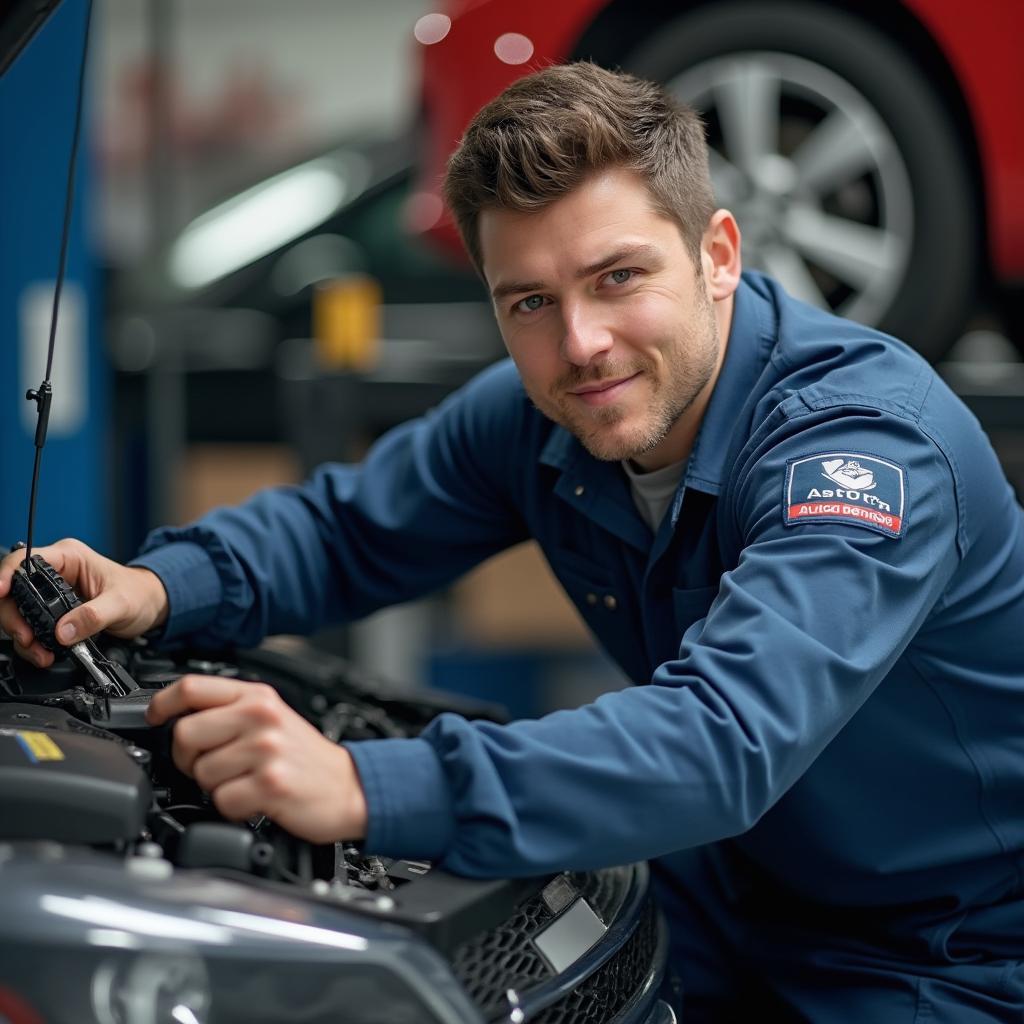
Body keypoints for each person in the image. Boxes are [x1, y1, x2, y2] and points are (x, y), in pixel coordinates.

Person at [4, 62, 1024, 1021]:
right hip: (736, 890)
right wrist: (152, 585)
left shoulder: (860, 449)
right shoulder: (541, 413)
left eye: (617, 277)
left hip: (948, 951)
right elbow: (343, 528)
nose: (580, 343)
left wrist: (364, 784)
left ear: (718, 255)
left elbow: (722, 738)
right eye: (529, 302)